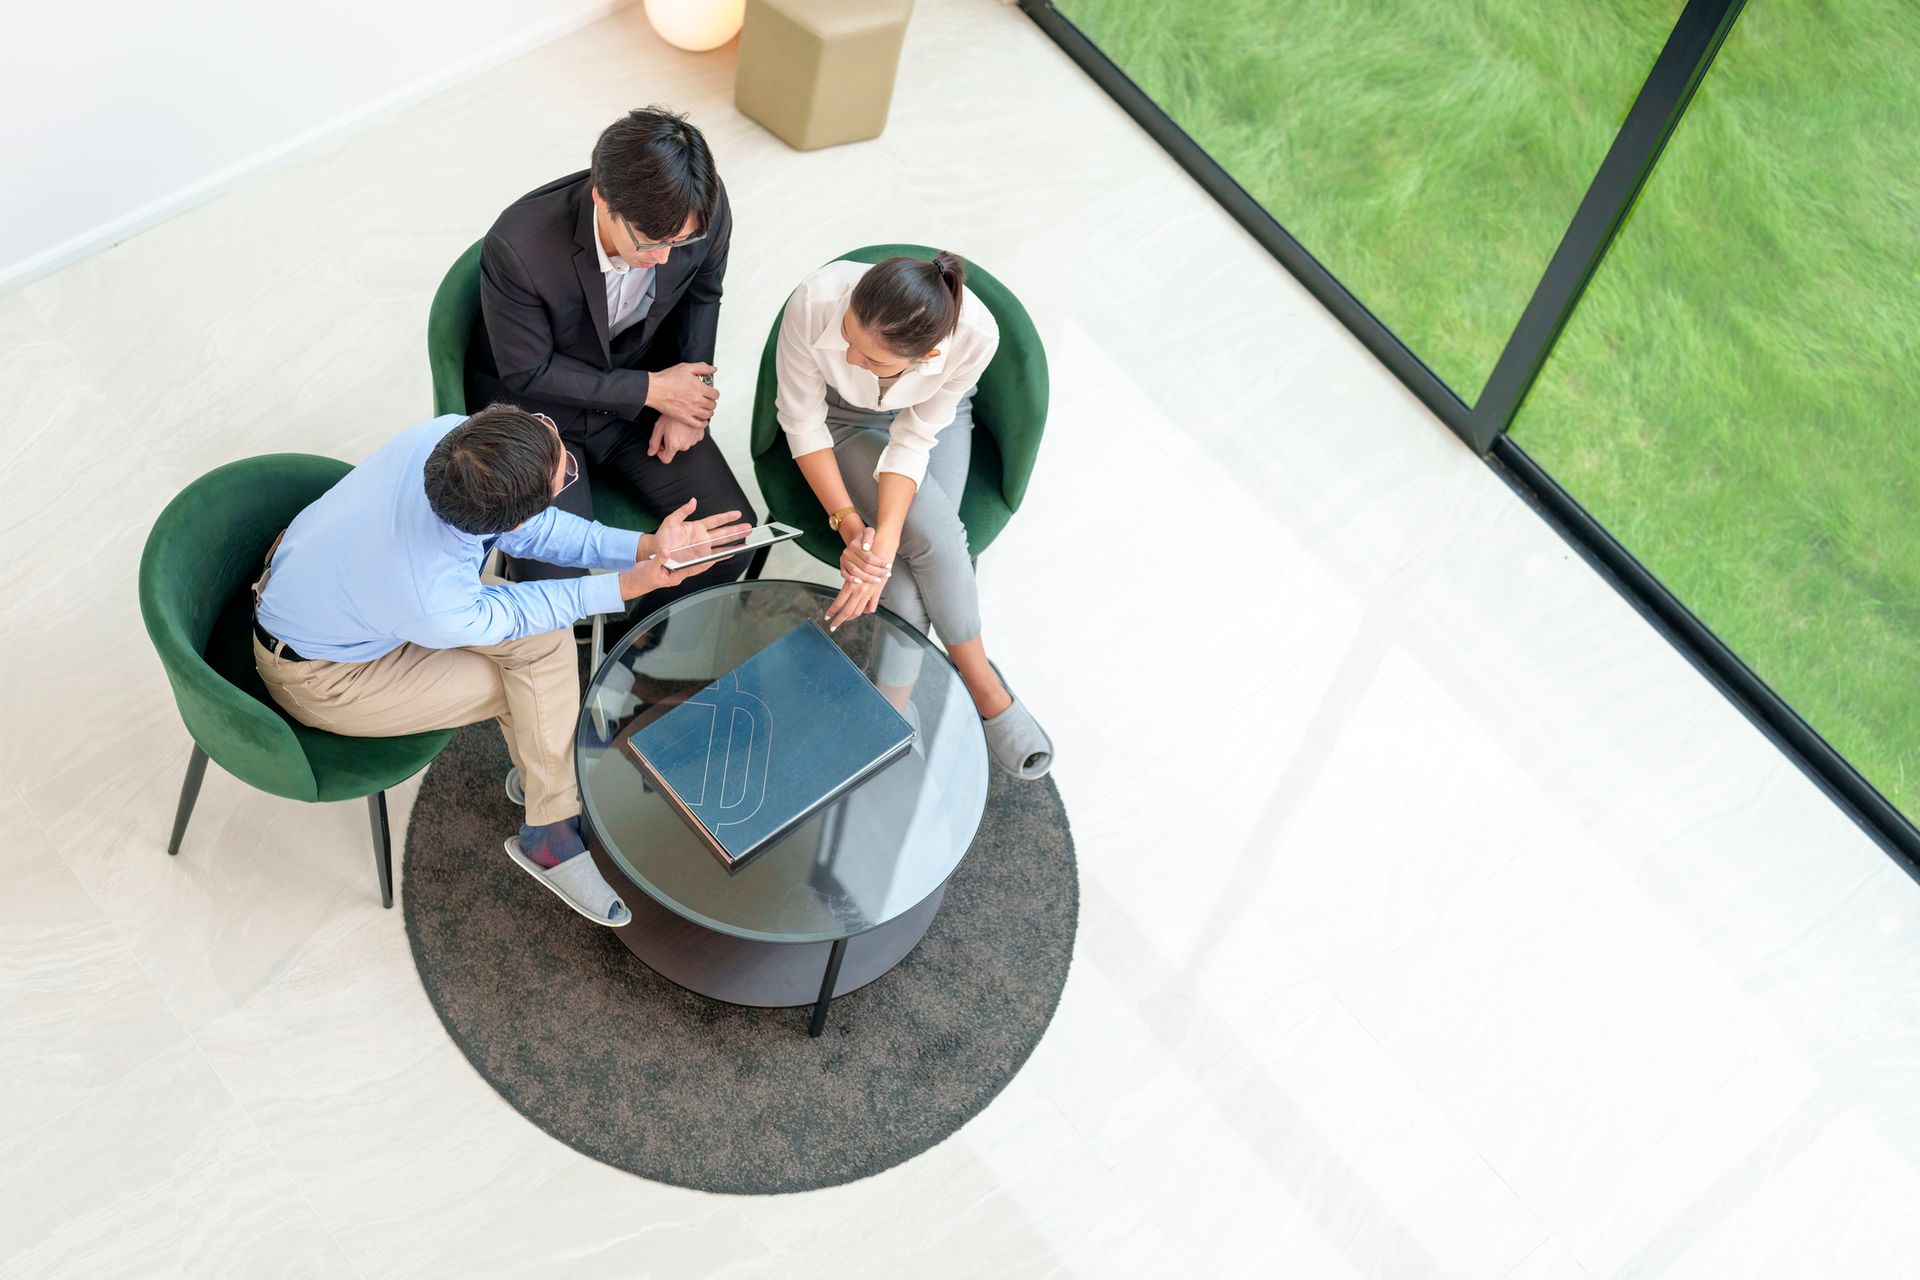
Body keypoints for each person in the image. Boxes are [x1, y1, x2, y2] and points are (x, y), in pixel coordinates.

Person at [251, 405, 746, 925]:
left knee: (544, 651)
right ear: (510, 516)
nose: (560, 444)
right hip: (321, 675)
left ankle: (544, 789)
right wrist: (631, 584)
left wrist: (644, 547)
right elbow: (519, 609)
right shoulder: (436, 598)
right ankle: (549, 831)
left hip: (353, 595)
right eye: (564, 476)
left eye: (549, 429)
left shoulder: (456, 444)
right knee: (523, 680)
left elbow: (536, 534)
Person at [773, 252, 1053, 778]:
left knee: (920, 549)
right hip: (839, 421)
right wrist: (853, 527)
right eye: (848, 338)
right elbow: (802, 421)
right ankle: (979, 691)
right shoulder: (815, 301)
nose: (851, 356)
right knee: (923, 551)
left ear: (925, 355)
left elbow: (915, 438)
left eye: (871, 357)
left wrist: (884, 544)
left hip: (931, 425)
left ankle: (897, 702)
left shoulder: (975, 335)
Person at [466, 105, 756, 607]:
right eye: (651, 242)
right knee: (552, 582)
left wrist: (692, 398)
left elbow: (702, 294)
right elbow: (527, 369)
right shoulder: (518, 246)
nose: (666, 257)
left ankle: (637, 641)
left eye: (681, 242)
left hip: (639, 392)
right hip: (538, 411)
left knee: (726, 542)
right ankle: (572, 655)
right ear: (603, 197)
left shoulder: (701, 213)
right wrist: (653, 390)